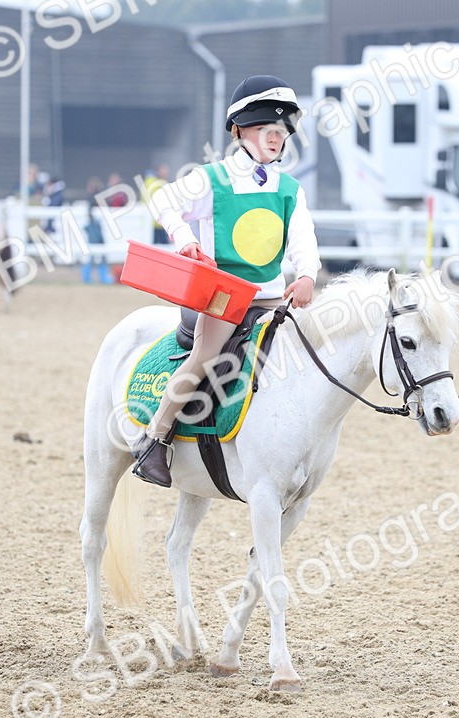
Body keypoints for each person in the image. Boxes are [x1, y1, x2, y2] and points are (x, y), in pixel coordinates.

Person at [132, 75, 321, 487]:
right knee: (205, 357)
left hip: (273, 299)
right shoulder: (210, 179)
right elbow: (163, 199)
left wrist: (307, 273)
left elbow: (302, 236)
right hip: (223, 298)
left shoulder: (289, 187)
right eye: (266, 129)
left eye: (281, 131)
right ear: (239, 131)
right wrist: (184, 240)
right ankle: (155, 440)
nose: (276, 137)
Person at [81, 177, 111, 283]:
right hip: (95, 228)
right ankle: (92, 276)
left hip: (95, 227)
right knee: (96, 253)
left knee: (96, 253)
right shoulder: (94, 198)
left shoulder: (92, 197)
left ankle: (90, 276)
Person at [142, 164, 171, 244]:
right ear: (158, 171)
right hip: (155, 221)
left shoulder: (156, 183)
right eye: (164, 171)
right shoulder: (154, 183)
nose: (166, 173)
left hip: (156, 221)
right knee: (162, 246)